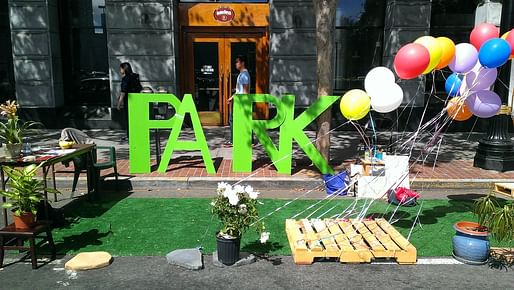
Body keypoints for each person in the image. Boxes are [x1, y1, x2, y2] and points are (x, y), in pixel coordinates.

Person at [225, 55, 250, 147]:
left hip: (241, 102)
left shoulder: (244, 75)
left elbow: (245, 91)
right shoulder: (242, 74)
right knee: (237, 120)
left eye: (237, 62)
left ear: (242, 63)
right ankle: (247, 139)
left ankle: (233, 140)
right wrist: (232, 97)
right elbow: (239, 90)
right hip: (239, 100)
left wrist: (243, 103)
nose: (236, 64)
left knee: (233, 120)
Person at [117, 62, 142, 141]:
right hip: (136, 100)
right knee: (135, 118)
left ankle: (129, 136)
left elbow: (123, 91)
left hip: (129, 100)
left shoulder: (125, 78)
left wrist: (119, 102)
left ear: (124, 69)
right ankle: (136, 134)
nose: (120, 70)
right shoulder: (135, 76)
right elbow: (139, 88)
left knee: (128, 118)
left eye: (120, 68)